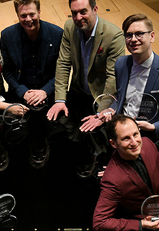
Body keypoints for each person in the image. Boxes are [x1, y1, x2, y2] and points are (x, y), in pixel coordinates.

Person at [80, 14, 159, 141]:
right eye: (129, 35)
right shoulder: (121, 64)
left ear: (152, 36)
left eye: (139, 34)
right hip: (121, 137)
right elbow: (121, 97)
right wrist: (111, 109)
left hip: (150, 142)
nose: (133, 39)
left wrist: (154, 127)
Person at [46, 0, 125, 177]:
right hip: (77, 93)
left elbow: (113, 78)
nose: (78, 17)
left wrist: (103, 113)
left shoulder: (114, 35)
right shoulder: (69, 27)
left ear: (95, 9)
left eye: (83, 12)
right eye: (74, 13)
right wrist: (60, 99)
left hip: (101, 98)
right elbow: (64, 63)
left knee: (102, 140)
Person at [93, 115, 159, 231]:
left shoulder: (148, 144)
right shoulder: (112, 179)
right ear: (113, 143)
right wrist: (141, 224)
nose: (134, 142)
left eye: (136, 134)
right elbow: (100, 223)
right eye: (126, 138)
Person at [0, 0, 63, 108]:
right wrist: (23, 92)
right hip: (19, 95)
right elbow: (6, 70)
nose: (28, 19)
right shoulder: (7, 36)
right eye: (23, 16)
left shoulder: (57, 34)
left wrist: (45, 91)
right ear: (17, 15)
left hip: (51, 94)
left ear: (39, 12)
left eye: (32, 14)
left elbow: (62, 70)